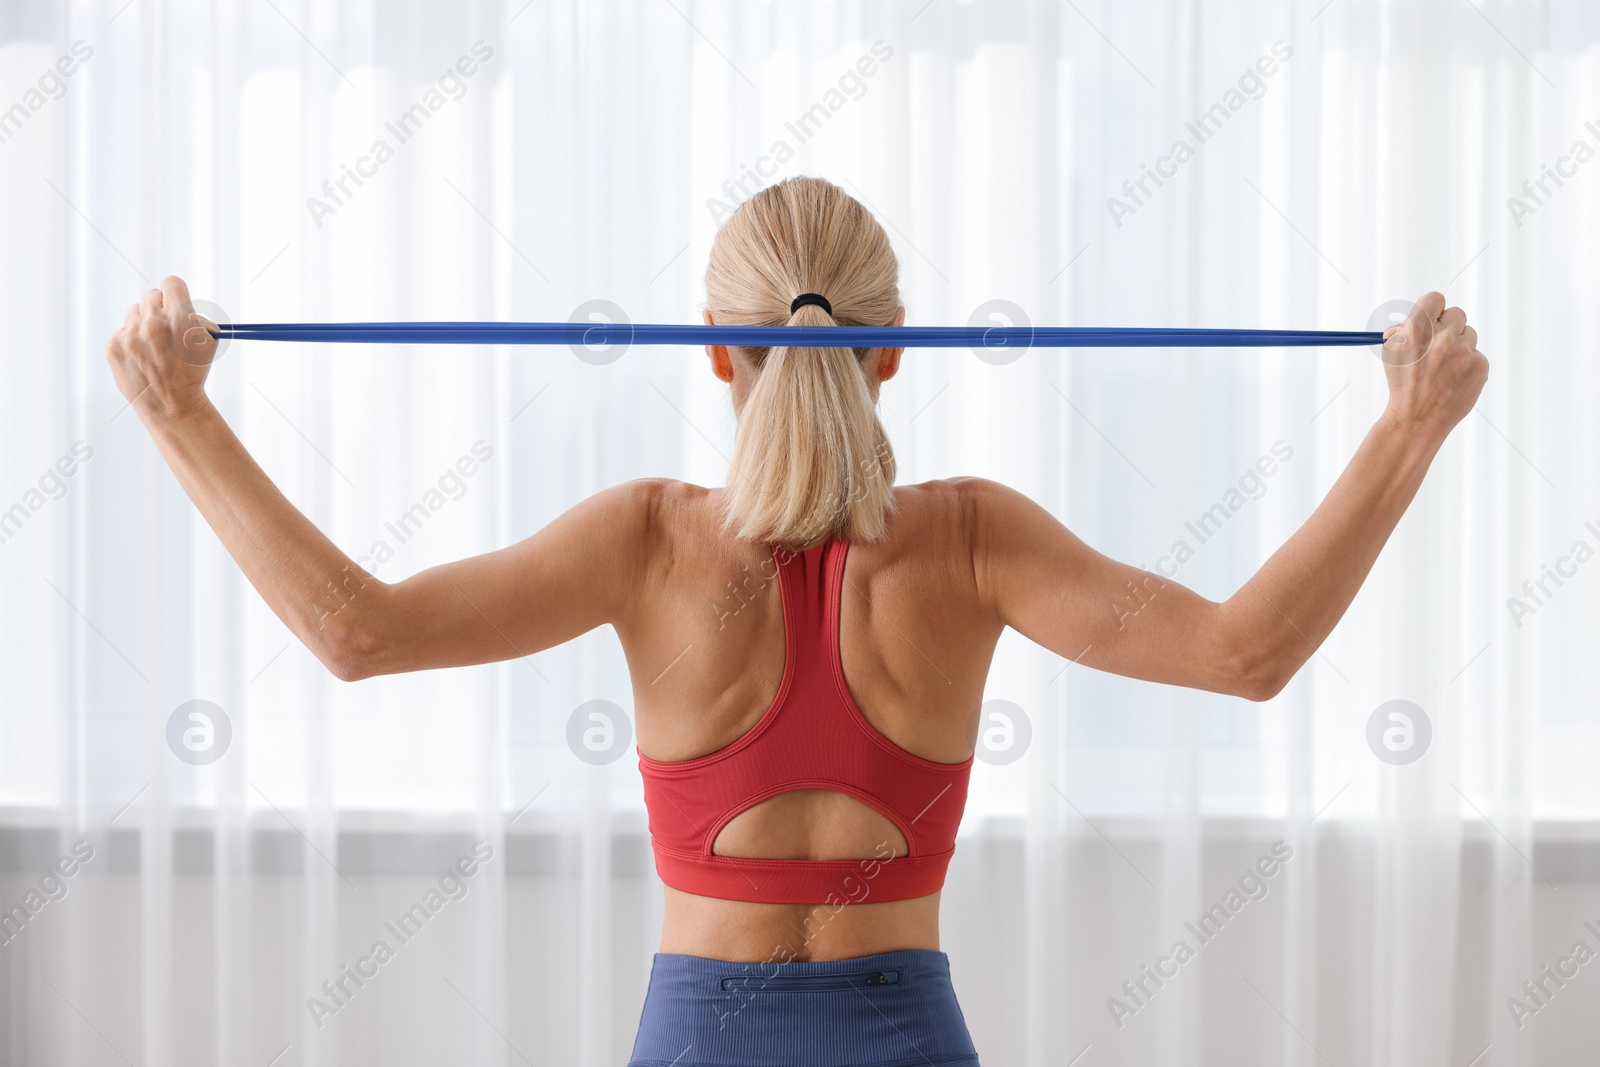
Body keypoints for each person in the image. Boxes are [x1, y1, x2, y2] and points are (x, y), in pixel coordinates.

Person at [106, 176, 1486, 1067]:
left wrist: (180, 416)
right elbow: (1247, 654)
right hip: (907, 1029)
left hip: (698, 1034)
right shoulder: (971, 538)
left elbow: (359, 632)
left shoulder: (642, 539)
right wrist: (1409, 432)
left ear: (714, 347)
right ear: (892, 348)